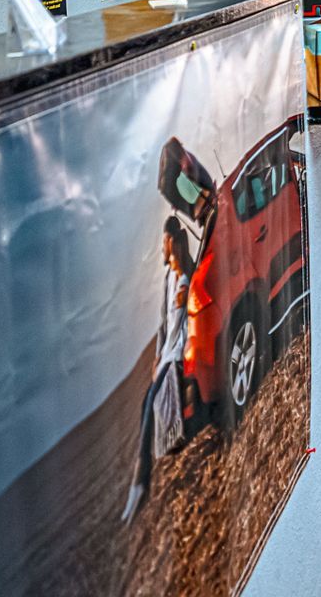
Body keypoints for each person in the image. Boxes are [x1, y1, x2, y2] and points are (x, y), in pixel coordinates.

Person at [123, 217, 194, 522]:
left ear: (172, 242)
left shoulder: (186, 278)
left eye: (163, 242)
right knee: (145, 405)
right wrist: (155, 359)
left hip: (178, 355)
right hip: (166, 356)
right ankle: (139, 482)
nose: (161, 249)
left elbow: (188, 323)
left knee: (152, 402)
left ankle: (140, 485)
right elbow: (164, 324)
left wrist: (177, 354)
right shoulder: (168, 280)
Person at [158, 137, 215, 225]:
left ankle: (206, 195)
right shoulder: (168, 182)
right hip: (198, 206)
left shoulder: (176, 158)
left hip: (197, 206)